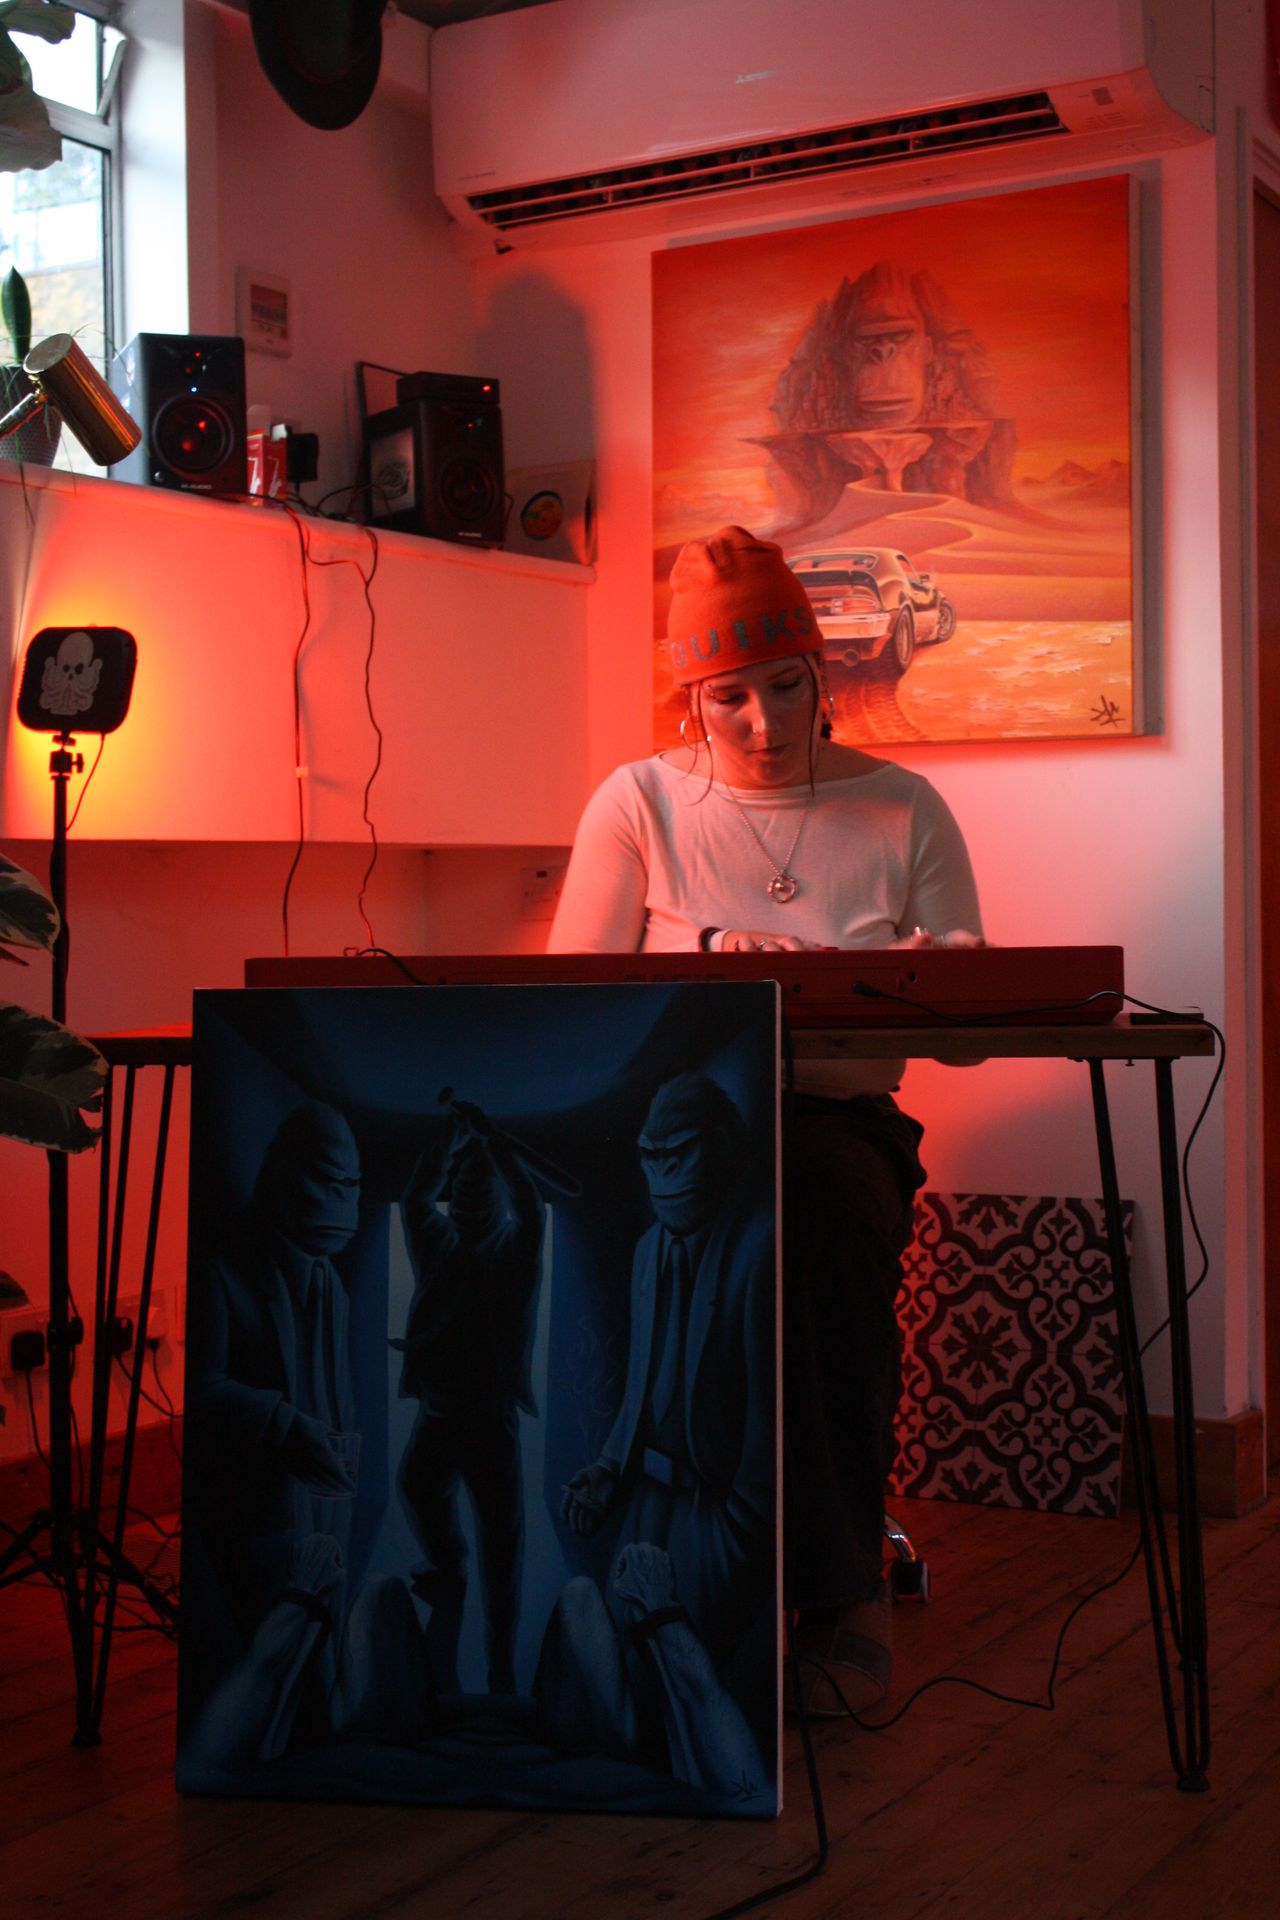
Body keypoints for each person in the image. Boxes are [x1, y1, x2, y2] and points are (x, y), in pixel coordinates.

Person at [547, 524, 983, 1711]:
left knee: (817, 1217)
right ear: (689, 698)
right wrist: (702, 946)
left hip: (831, 1122)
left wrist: (920, 976)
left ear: (818, 675)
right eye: (727, 697)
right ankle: (640, 1567)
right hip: (669, 1125)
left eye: (783, 688)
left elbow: (962, 1033)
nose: (759, 721)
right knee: (638, 1227)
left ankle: (832, 1588)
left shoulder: (901, 807)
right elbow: (569, 997)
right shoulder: (637, 801)